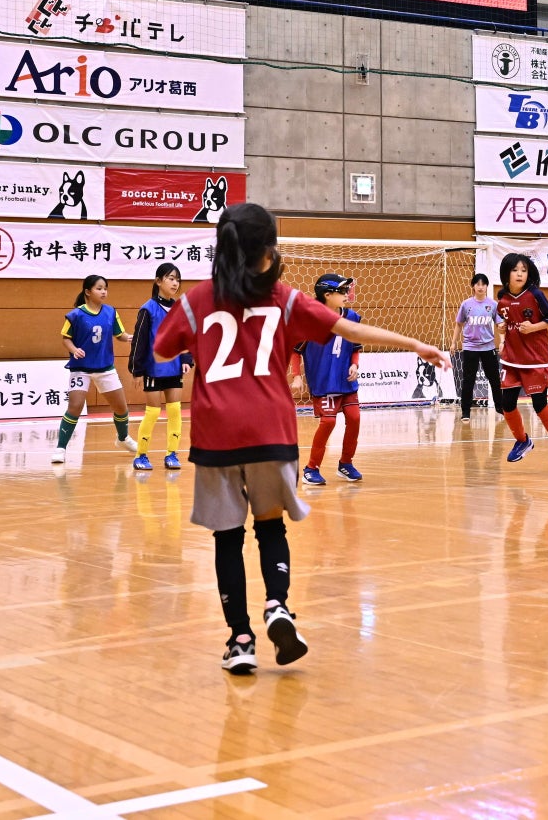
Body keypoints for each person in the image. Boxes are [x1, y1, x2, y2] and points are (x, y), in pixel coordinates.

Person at [152, 202, 448, 673]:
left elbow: (162, 347)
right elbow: (348, 327)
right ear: (268, 252)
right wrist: (414, 343)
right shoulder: (284, 298)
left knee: (227, 539)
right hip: (270, 429)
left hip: (217, 434)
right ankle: (277, 606)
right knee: (270, 526)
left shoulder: (197, 299)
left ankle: (240, 638)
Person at [495, 253, 548, 472]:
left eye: (524, 270)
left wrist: (532, 327)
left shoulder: (536, 294)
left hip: (534, 360)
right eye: (515, 270)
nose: (520, 274)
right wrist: (502, 330)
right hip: (512, 359)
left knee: (540, 405)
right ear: (506, 273)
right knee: (507, 404)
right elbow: (505, 322)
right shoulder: (501, 298)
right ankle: (522, 441)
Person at [54, 275, 135, 464]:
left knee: (121, 407)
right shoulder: (76, 315)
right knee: (74, 407)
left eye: (105, 288)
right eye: (99, 288)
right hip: (81, 368)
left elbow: (119, 334)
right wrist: (74, 349)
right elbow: (66, 338)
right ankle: (60, 448)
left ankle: (122, 438)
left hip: (105, 367)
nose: (104, 291)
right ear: (88, 292)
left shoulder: (111, 312)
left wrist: (131, 337)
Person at [297, 274, 363, 485]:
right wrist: (297, 376)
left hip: (346, 380)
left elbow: (355, 347)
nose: (347, 295)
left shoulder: (352, 317)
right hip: (324, 382)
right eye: (342, 292)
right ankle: (311, 468)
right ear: (327, 295)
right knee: (328, 422)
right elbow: (294, 350)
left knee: (354, 418)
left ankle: (345, 463)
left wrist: (355, 364)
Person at [128, 263, 190, 472]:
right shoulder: (148, 309)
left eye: (177, 279)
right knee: (153, 412)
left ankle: (172, 454)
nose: (175, 283)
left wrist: (187, 360)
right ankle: (141, 455)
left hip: (174, 368)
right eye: (170, 278)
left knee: (175, 411)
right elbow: (139, 341)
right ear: (158, 281)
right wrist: (137, 370)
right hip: (153, 369)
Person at [454, 272, 501, 421]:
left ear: (487, 286)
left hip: (488, 347)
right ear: (473, 286)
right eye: (477, 284)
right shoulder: (466, 304)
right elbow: (459, 324)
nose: (480, 287)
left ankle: (500, 408)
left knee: (494, 379)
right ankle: (465, 412)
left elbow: (500, 324)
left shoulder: (493, 305)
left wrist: (504, 341)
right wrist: (454, 342)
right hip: (470, 347)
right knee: (468, 380)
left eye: (483, 284)